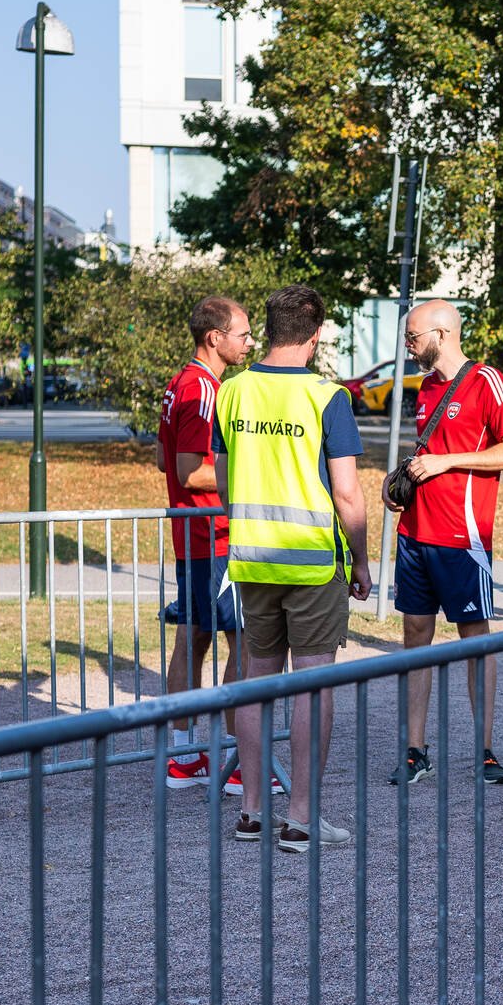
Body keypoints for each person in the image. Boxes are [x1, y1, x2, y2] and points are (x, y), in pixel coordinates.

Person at [213, 283, 368, 850]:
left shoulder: (232, 392)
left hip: (251, 559)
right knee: (312, 686)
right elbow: (347, 495)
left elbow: (226, 484)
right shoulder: (329, 398)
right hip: (310, 563)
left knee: (256, 681)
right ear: (316, 334)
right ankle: (300, 817)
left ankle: (251, 811)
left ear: (271, 330)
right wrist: (362, 559)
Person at [384, 299, 503, 786]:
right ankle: (414, 750)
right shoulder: (425, 387)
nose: (407, 344)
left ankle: (486, 750)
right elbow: (428, 449)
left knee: (475, 641)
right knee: (414, 641)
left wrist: (447, 463)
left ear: (442, 334)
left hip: (461, 538)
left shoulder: (487, 380)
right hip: (414, 534)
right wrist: (402, 482)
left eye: (413, 336)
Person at [158, 296, 249, 792]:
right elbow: (189, 470)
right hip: (214, 537)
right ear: (215, 337)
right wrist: (250, 475)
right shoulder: (203, 389)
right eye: (243, 333)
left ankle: (183, 755)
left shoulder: (178, 383)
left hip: (192, 534)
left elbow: (160, 458)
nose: (249, 342)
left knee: (192, 639)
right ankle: (237, 763)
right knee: (246, 640)